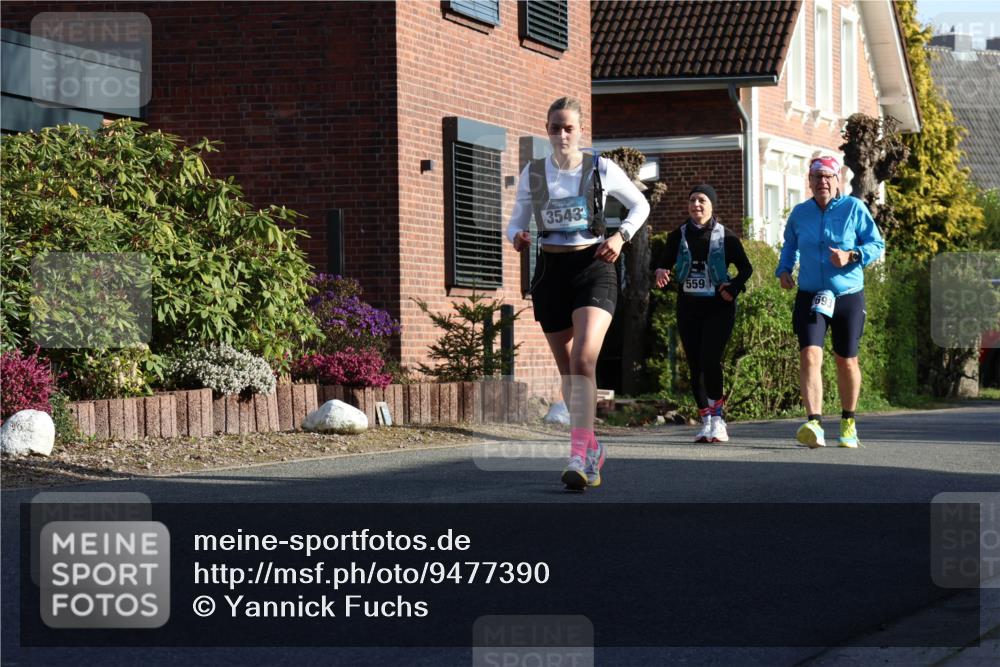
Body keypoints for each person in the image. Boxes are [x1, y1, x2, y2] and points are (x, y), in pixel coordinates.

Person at [508, 96, 649, 490]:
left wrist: (621, 236)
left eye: (569, 127)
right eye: (555, 127)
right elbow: (516, 221)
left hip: (594, 266)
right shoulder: (534, 173)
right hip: (551, 272)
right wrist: (516, 236)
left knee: (584, 358)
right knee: (568, 368)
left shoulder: (600, 167)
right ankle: (592, 447)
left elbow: (639, 205)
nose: (562, 134)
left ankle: (579, 454)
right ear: (547, 129)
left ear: (580, 130)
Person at [776, 155, 884, 448]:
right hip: (811, 295)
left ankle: (848, 421)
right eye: (817, 177)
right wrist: (784, 270)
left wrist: (852, 256)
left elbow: (876, 244)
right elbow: (790, 246)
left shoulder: (854, 208)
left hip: (847, 294)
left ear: (838, 181)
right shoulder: (800, 214)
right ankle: (815, 423)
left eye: (828, 177)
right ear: (809, 182)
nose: (822, 182)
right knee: (810, 354)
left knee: (846, 360)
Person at [653, 185, 753, 443]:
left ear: (712, 205)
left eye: (702, 200)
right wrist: (661, 271)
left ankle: (719, 420)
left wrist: (733, 288)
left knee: (710, 359)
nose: (696, 204)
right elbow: (664, 262)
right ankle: (706, 420)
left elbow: (745, 269)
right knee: (694, 365)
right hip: (689, 306)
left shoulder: (726, 236)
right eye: (692, 200)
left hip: (719, 307)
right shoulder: (679, 235)